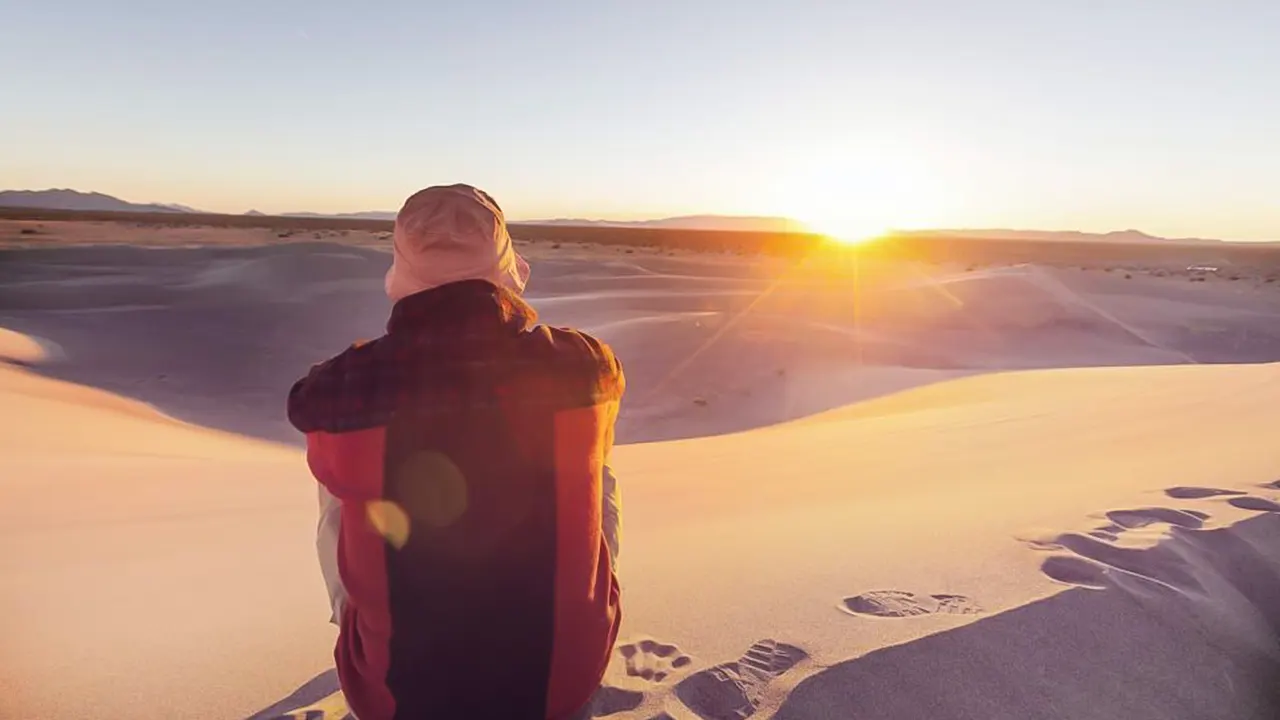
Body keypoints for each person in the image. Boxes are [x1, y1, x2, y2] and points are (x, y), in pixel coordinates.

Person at [288, 184, 624, 720]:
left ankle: (361, 625)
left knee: (337, 491)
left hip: (395, 697)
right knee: (596, 469)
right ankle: (581, 605)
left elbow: (314, 408)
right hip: (564, 678)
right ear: (506, 261)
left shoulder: (343, 392)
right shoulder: (584, 365)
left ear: (402, 265)